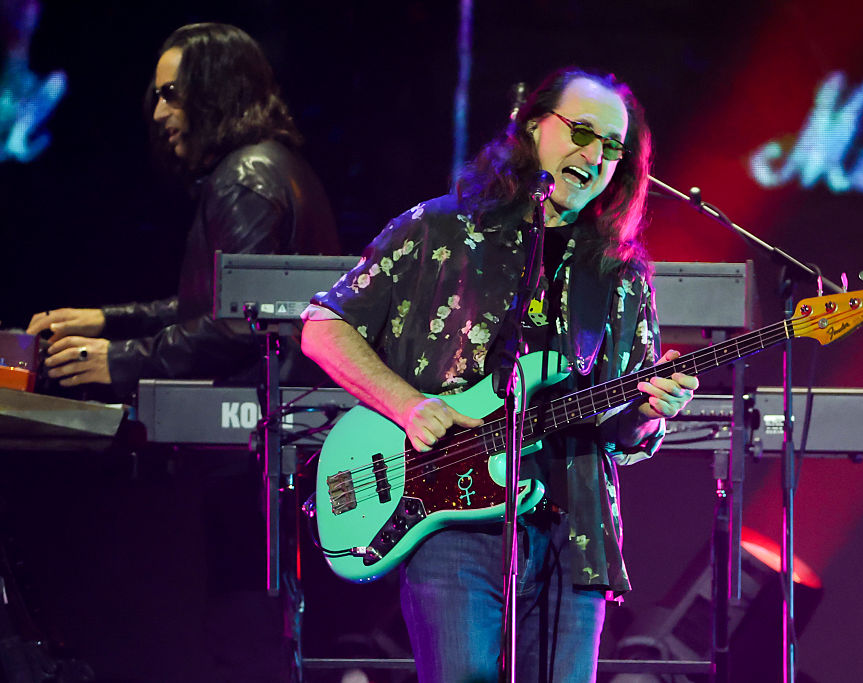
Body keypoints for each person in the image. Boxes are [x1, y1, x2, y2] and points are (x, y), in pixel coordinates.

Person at [301, 68, 698, 682]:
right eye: (582, 132)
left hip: (573, 536)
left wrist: (648, 412)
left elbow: (622, 435)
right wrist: (409, 405)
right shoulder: (440, 229)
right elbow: (324, 326)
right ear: (533, 126)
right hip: (451, 526)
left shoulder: (620, 274)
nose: (595, 156)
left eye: (612, 147)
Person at [26, 22, 341, 401]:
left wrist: (120, 359)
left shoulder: (243, 177)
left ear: (215, 90)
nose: (159, 113)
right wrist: (108, 320)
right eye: (158, 96)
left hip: (262, 417)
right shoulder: (272, 164)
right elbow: (215, 307)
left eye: (171, 94)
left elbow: (239, 324)